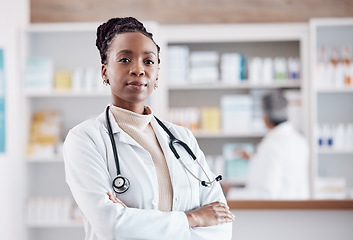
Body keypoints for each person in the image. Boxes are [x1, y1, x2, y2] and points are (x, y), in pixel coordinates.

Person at [63, 17, 234, 240]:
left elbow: (221, 225)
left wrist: (134, 219)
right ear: (105, 72)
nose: (138, 69)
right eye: (125, 59)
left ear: (157, 74)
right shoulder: (85, 139)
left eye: (149, 61)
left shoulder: (182, 138)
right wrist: (194, 218)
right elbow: (112, 226)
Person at [227, 91, 309, 200]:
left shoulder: (271, 145)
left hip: (278, 212)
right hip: (299, 209)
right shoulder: (300, 140)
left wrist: (231, 192)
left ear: (265, 119)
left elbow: (266, 194)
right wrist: (254, 159)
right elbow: (284, 170)